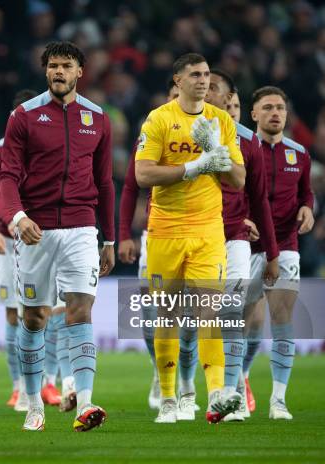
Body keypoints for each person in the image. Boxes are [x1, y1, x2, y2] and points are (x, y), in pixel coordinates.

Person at [0, 41, 115, 432]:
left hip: (82, 228)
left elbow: (104, 182)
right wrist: (17, 217)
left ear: (81, 70)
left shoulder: (97, 118)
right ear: (45, 71)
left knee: (81, 310)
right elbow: (8, 177)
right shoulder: (23, 117)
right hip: (36, 231)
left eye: (66, 65)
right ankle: (33, 404)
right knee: (34, 317)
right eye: (52, 66)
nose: (58, 72)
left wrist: (110, 239)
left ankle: (84, 402)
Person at [134, 53, 246, 424]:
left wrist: (218, 155)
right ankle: (168, 399)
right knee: (166, 314)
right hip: (165, 229)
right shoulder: (160, 119)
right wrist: (194, 167)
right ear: (177, 80)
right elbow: (143, 175)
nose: (203, 81)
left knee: (208, 311)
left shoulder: (222, 121)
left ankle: (216, 394)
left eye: (207, 75)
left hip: (208, 230)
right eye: (195, 75)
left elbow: (239, 180)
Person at [173, 69, 279, 422]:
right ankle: (186, 387)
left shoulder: (249, 142)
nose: (207, 89)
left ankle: (227, 396)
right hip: (190, 236)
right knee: (191, 323)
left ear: (230, 99)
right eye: (205, 84)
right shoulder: (177, 127)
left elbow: (259, 198)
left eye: (216, 88)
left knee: (230, 314)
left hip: (232, 238)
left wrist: (271, 251)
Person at [0, 88, 64, 410]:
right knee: (16, 314)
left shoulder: (57, 142)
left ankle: (50, 383)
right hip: (10, 239)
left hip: (50, 234)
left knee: (54, 310)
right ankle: (18, 387)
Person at [242, 86, 314, 420]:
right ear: (253, 114)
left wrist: (308, 209)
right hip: (245, 245)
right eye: (268, 107)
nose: (276, 113)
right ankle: (238, 381)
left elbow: (306, 193)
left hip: (285, 245)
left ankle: (278, 400)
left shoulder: (299, 153)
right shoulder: (242, 148)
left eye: (281, 108)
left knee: (283, 318)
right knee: (242, 321)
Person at [118, 79, 179, 411]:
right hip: (156, 233)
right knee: (150, 311)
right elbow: (130, 187)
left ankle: (188, 383)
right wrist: (124, 234)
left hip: (202, 233)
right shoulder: (152, 134)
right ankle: (160, 371)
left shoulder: (206, 135)